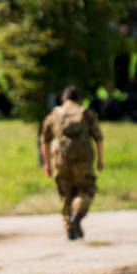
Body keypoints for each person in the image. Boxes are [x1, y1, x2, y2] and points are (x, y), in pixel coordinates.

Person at [40, 85, 104, 240]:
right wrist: (100, 160)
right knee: (86, 190)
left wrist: (47, 163)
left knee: (66, 193)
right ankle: (77, 216)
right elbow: (98, 137)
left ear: (63, 99)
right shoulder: (86, 113)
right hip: (83, 160)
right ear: (79, 99)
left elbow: (45, 140)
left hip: (61, 159)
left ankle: (69, 225)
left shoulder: (54, 115)